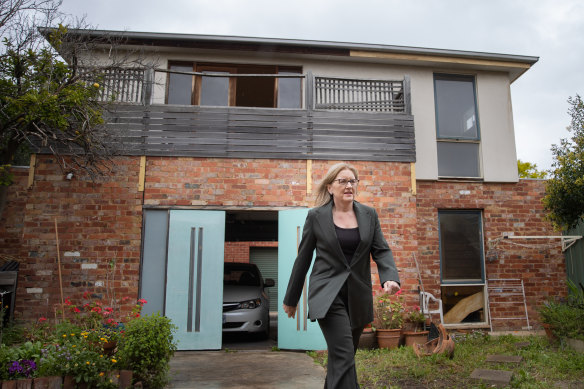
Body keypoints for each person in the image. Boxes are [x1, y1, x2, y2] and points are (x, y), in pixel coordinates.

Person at [283, 162, 401, 389]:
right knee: (345, 353)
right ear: (330, 187)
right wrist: (291, 298)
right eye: (342, 181)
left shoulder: (369, 215)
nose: (349, 185)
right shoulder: (316, 217)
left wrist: (390, 277)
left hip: (357, 295)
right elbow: (303, 259)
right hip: (327, 295)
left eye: (352, 181)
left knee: (342, 358)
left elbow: (381, 250)